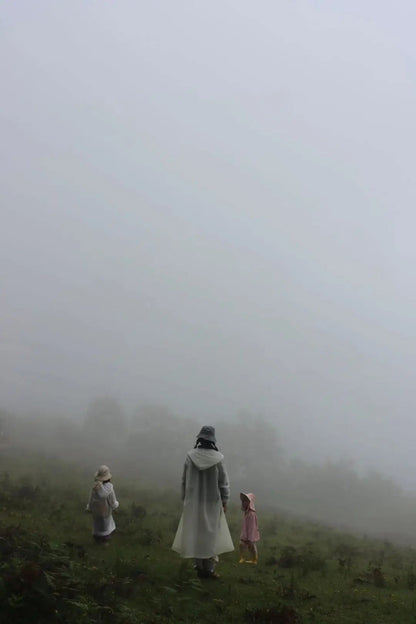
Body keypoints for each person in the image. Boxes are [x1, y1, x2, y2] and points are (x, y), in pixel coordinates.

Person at [172, 426, 234, 578]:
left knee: (196, 532)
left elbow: (184, 480)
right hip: (212, 504)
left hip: (193, 503)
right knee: (211, 535)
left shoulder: (190, 456)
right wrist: (225, 500)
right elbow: (224, 483)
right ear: (212, 440)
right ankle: (209, 569)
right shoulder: (219, 458)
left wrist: (185, 498)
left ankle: (199, 566)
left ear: (199, 439)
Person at [86, 465, 119, 544]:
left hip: (96, 513)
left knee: (97, 526)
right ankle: (104, 542)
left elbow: (91, 499)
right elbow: (112, 502)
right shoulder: (110, 489)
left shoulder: (95, 487)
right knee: (106, 527)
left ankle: (97, 541)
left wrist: (89, 508)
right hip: (106, 512)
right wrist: (115, 506)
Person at [239, 492, 260, 564]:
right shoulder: (247, 512)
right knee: (241, 544)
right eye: (243, 501)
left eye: (246, 501)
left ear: (249, 502)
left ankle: (255, 559)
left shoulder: (251, 514)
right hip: (246, 533)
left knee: (252, 547)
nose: (244, 502)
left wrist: (251, 538)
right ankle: (242, 558)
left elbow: (252, 527)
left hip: (251, 534)